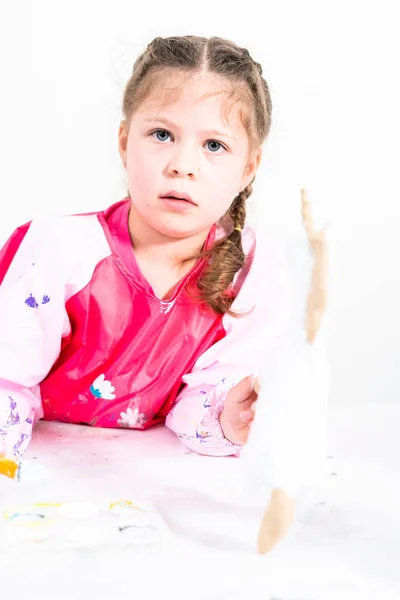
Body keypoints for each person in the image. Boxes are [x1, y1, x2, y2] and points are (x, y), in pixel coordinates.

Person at [0, 35, 294, 460]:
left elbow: (201, 402)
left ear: (248, 168)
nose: (182, 165)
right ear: (124, 142)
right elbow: (6, 379)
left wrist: (231, 413)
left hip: (148, 479)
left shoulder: (249, 271)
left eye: (214, 145)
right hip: (39, 468)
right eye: (161, 134)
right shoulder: (56, 251)